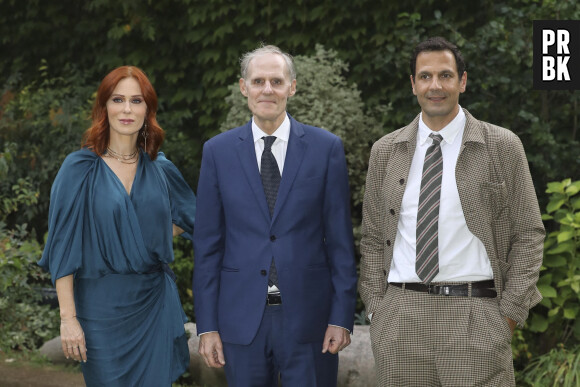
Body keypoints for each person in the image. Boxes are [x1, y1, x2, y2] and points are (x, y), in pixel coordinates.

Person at [359, 37, 545, 386]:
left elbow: (529, 234)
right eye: (425, 76)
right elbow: (371, 236)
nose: (435, 86)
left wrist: (507, 315)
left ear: (462, 81)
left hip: (475, 315)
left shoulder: (501, 146)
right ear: (413, 84)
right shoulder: (385, 151)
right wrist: (376, 308)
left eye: (445, 75)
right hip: (400, 318)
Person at [193, 44, 358, 386]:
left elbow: (341, 242)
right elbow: (207, 247)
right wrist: (207, 326)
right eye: (258, 81)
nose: (267, 89)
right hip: (241, 320)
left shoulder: (325, 148)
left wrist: (341, 317)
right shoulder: (217, 152)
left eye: (276, 81)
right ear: (244, 88)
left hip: (311, 320)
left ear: (291, 87)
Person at [38, 66, 196, 386]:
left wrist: (144, 238)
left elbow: (196, 218)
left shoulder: (160, 168)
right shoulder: (78, 169)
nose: (127, 109)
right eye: (118, 99)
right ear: (103, 107)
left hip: (154, 303)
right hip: (99, 308)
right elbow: (62, 246)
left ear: (147, 110)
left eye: (136, 101)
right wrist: (68, 319)